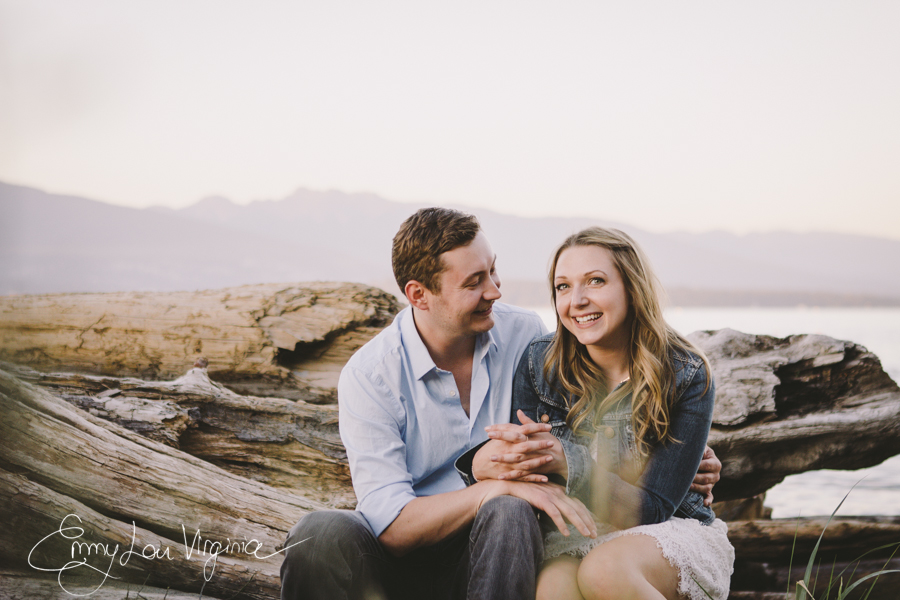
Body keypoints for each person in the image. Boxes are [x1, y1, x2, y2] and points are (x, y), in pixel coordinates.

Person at [280, 209, 722, 600]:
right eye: (475, 282)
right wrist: (489, 484)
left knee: (510, 513)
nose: (494, 291)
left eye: (493, 271)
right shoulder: (369, 375)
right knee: (317, 534)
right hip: (400, 560)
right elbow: (392, 527)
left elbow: (585, 401)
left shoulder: (523, 337)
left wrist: (681, 461)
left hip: (497, 551)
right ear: (419, 295)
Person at [469, 226, 734, 600]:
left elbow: (653, 507)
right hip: (580, 530)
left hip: (668, 529)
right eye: (563, 287)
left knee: (604, 572)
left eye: (595, 281)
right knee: (552, 589)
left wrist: (566, 460)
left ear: (631, 287)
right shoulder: (539, 364)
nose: (576, 300)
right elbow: (530, 477)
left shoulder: (685, 373)